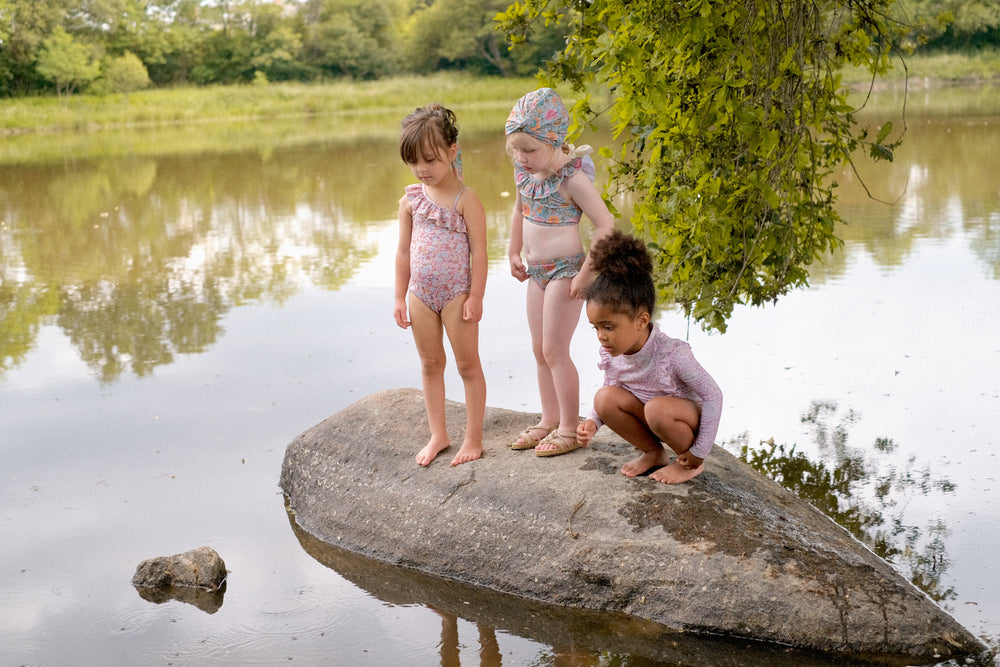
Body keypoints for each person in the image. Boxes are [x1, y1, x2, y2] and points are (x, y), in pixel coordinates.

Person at [505, 87, 616, 457]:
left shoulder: (572, 179)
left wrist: (586, 274)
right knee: (539, 350)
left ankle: (569, 428)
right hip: (535, 270)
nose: (522, 157)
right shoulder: (525, 174)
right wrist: (512, 250)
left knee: (555, 349)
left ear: (554, 141)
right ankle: (547, 419)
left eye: (530, 150)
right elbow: (520, 212)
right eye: (516, 149)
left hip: (567, 271)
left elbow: (605, 225)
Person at [575, 230, 723, 484]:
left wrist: (700, 450)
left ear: (642, 320)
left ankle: (687, 463)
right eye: (596, 327)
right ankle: (654, 453)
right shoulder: (612, 352)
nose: (601, 336)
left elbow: (713, 396)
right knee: (604, 398)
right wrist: (592, 422)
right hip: (652, 417)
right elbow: (612, 386)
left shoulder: (672, 354)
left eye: (608, 327)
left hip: (683, 422)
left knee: (657, 409)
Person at [394, 103, 488, 467]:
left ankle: (473, 437)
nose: (422, 169)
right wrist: (399, 297)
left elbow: (480, 253)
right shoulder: (411, 200)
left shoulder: (467, 200)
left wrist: (476, 296)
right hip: (420, 293)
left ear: (452, 152)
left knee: (467, 366)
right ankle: (439, 434)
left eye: (430, 160)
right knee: (430, 363)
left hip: (456, 294)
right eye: (414, 161)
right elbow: (403, 251)